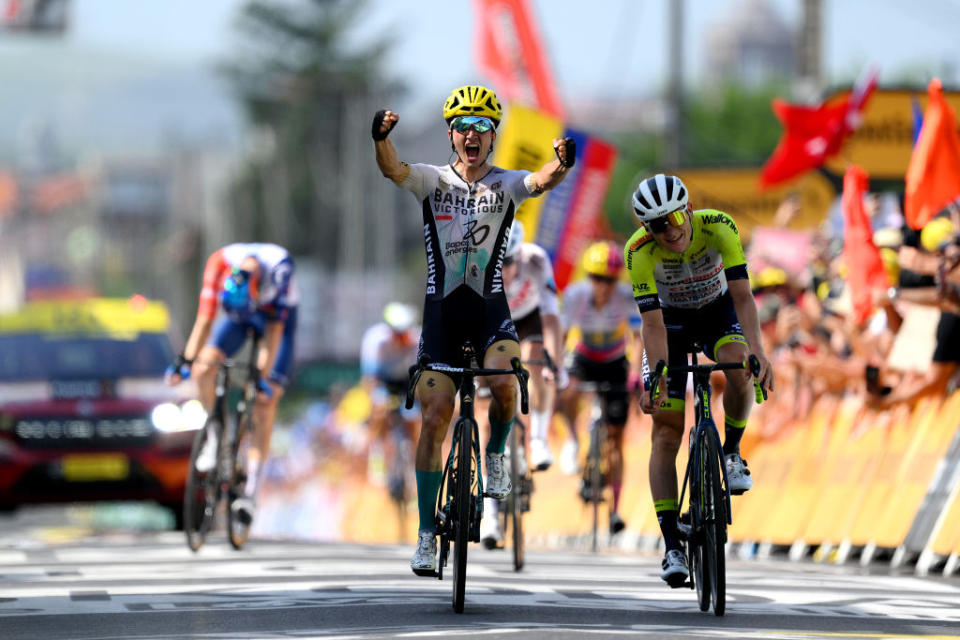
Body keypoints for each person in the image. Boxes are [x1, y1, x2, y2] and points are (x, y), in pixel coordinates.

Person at [372, 84, 575, 575]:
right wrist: (380, 138)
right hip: (441, 314)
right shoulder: (432, 181)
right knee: (436, 416)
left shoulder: (505, 184)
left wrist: (562, 164)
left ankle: (496, 454)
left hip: (489, 309)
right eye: (463, 125)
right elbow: (393, 169)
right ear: (451, 133)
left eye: (482, 126)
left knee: (506, 382)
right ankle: (425, 535)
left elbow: (540, 181)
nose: (472, 134)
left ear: (493, 136)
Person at [624, 174, 773, 587]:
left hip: (716, 311)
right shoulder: (638, 252)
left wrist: (758, 350)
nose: (669, 230)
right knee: (666, 434)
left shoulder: (719, 226)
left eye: (673, 217)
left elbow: (743, 297)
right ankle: (672, 545)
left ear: (687, 209)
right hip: (668, 325)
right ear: (644, 228)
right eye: (656, 225)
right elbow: (651, 324)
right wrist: (655, 377)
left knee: (740, 366)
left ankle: (731, 452)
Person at [165, 242, 298, 527]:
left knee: (264, 401)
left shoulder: (280, 271)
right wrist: (185, 362)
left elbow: (274, 331)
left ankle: (250, 495)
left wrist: (262, 377)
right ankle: (216, 437)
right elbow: (205, 319)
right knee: (204, 369)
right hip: (239, 313)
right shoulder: (218, 264)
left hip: (276, 322)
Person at [477, 219, 565, 548]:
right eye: (497, 263)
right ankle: (490, 513)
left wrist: (554, 364)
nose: (504, 270)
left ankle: (539, 439)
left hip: (527, 320)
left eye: (509, 262)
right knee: (487, 412)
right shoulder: (475, 266)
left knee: (537, 358)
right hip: (490, 323)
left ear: (520, 256)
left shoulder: (537, 260)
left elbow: (552, 318)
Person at [557, 240, 643, 535]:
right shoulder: (575, 295)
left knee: (616, 440)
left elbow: (638, 338)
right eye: (596, 278)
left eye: (608, 280)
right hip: (584, 356)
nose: (602, 286)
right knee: (566, 391)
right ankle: (573, 439)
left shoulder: (625, 296)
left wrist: (635, 374)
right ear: (587, 277)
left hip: (614, 359)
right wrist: (556, 369)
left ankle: (616, 510)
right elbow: (563, 334)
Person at [359, 302, 421, 510]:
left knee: (414, 421)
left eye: (404, 333)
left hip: (407, 382)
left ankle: (412, 469)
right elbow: (370, 380)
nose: (400, 338)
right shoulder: (375, 340)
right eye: (396, 333)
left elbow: (421, 380)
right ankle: (378, 454)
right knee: (379, 409)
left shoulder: (417, 340)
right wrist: (379, 400)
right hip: (383, 381)